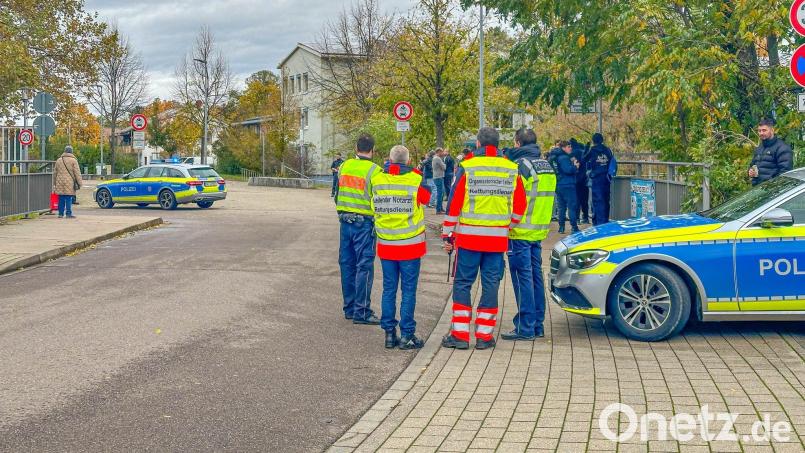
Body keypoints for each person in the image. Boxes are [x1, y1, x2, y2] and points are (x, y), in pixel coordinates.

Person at [441, 127, 527, 350]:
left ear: (478, 143)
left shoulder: (468, 167)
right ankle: (484, 336)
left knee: (463, 283)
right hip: (497, 240)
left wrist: (448, 233)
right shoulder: (511, 169)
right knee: (490, 285)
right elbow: (520, 206)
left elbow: (454, 202)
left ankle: (460, 335)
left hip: (469, 239)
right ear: (498, 145)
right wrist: (508, 226)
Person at [371, 145, 432, 349]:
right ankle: (407, 335)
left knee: (389, 289)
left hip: (386, 243)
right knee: (408, 291)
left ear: (389, 158)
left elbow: (372, 205)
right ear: (407, 161)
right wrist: (416, 172)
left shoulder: (378, 179)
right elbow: (427, 198)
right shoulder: (415, 179)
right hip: (410, 245)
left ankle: (389, 334)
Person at [502, 128, 556, 340]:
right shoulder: (546, 165)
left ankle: (525, 327)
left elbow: (513, 198)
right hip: (538, 229)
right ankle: (537, 324)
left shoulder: (520, 166)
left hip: (520, 230)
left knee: (521, 277)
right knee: (535, 276)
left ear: (517, 143)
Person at [335, 133, 381, 325]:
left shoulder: (344, 166)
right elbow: (378, 198)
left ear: (356, 148)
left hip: (345, 222)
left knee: (347, 265)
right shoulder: (375, 171)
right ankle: (361, 311)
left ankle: (350, 307)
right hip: (364, 224)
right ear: (373, 150)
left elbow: (338, 192)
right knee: (364, 266)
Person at [748, 118, 793, 186]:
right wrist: (750, 171)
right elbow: (752, 165)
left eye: (764, 130)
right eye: (759, 131)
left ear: (772, 130)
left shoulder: (782, 148)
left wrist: (772, 186)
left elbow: (785, 173)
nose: (761, 133)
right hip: (758, 190)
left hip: (773, 191)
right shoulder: (760, 147)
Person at [586, 133, 614, 226]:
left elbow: (584, 159)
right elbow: (611, 161)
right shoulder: (607, 150)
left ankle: (598, 223)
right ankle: (605, 220)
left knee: (597, 200)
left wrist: (586, 149)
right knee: (606, 199)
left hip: (597, 178)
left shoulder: (592, 150)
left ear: (593, 141)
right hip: (606, 178)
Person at [555, 141, 580, 234]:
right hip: (568, 185)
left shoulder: (557, 157)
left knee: (561, 207)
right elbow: (568, 170)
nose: (571, 148)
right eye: (568, 147)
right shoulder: (564, 158)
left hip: (559, 185)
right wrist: (575, 166)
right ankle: (574, 227)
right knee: (571, 206)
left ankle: (561, 227)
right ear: (563, 148)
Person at [53, 145, 82, 219]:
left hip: (59, 181)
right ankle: (68, 213)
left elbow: (55, 173)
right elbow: (77, 173)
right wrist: (80, 183)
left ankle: (60, 213)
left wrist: (54, 182)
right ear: (71, 152)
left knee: (61, 198)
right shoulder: (73, 160)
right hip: (69, 182)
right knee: (69, 198)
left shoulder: (59, 160)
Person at [570, 138, 589, 224]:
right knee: (584, 199)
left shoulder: (570, 154)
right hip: (584, 179)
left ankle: (577, 218)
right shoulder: (582, 152)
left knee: (576, 200)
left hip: (575, 180)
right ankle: (585, 217)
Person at [431, 148, 446, 213]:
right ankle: (438, 209)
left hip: (437, 177)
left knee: (441, 193)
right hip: (439, 177)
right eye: (442, 152)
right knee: (440, 193)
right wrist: (444, 164)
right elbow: (444, 167)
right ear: (439, 152)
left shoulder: (435, 158)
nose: (443, 153)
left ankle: (440, 208)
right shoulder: (437, 158)